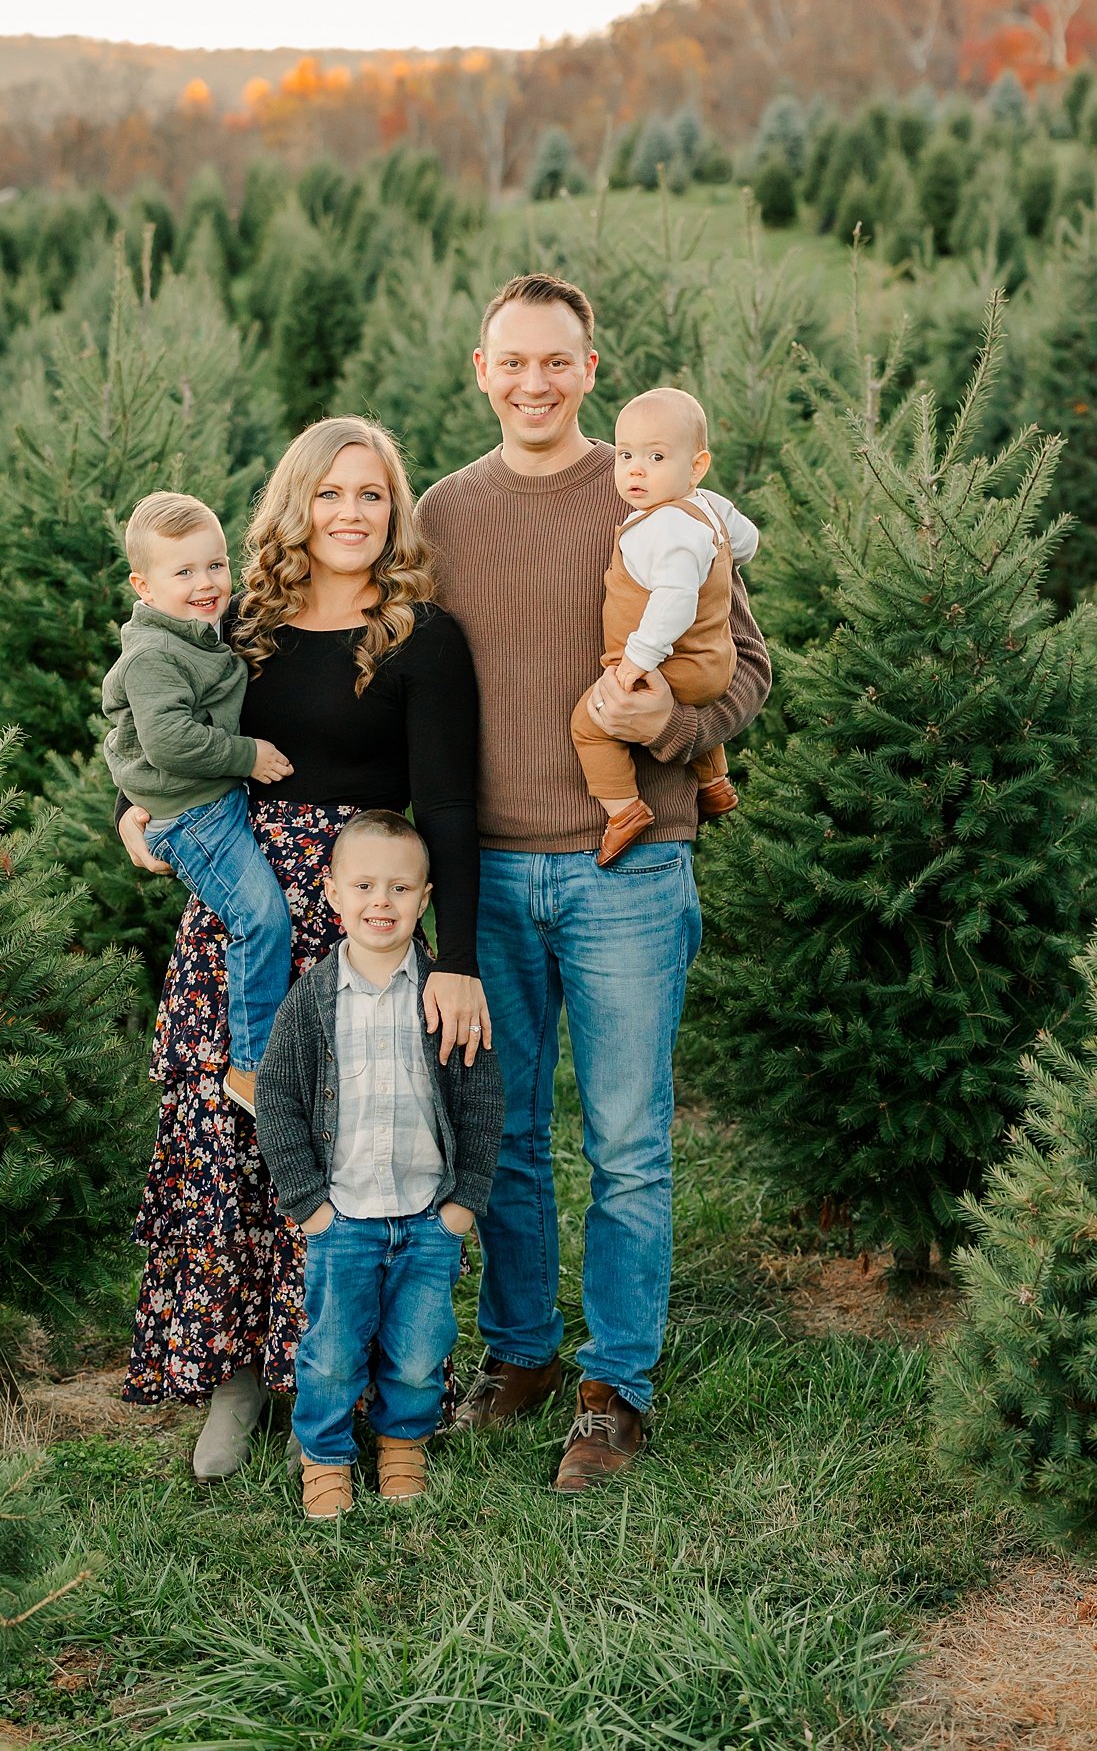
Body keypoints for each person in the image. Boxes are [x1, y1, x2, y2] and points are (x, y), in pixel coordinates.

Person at [416, 272, 771, 1492]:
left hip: (630, 870)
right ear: (480, 369)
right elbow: (357, 659)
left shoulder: (661, 494)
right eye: (511, 361)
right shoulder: (441, 516)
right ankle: (515, 1354)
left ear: (591, 367)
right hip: (490, 876)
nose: (533, 382)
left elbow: (747, 672)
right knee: (506, 1137)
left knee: (627, 1142)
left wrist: (668, 722)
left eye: (555, 361)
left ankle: (615, 1383)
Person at [116, 417, 486, 1482]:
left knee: (354, 1143)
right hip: (242, 907)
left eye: (371, 495)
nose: (351, 514)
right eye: (330, 494)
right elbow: (151, 724)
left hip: (362, 913)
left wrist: (450, 958)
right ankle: (234, 1378)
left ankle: (356, 1377)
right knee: (226, 1134)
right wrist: (134, 815)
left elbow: (450, 810)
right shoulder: (238, 624)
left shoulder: (422, 637)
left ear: (394, 510)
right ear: (298, 504)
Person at [254, 811, 504, 1519]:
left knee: (421, 1350)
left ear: (426, 899)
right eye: (363, 885)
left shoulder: (444, 994)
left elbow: (483, 1098)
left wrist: (464, 1203)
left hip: (428, 1216)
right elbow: (275, 1102)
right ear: (332, 894)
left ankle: (402, 1443)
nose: (380, 902)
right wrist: (310, 1204)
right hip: (344, 1219)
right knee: (331, 1353)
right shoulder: (312, 1002)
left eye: (399, 888)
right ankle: (326, 1455)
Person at [101, 489, 295, 1114]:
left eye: (215, 565)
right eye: (182, 572)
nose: (206, 583)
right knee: (259, 917)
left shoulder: (201, 630)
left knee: (259, 915)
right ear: (144, 585)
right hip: (193, 818)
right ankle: (253, 1066)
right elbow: (167, 741)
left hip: (211, 807)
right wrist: (249, 756)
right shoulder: (156, 653)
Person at [569, 388, 760, 865]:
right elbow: (747, 540)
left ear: (696, 466)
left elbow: (674, 601)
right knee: (686, 698)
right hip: (713, 663)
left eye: (656, 457)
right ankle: (715, 784)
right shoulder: (709, 507)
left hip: (672, 663)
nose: (636, 469)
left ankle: (624, 810)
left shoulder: (664, 528)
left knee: (589, 724)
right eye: (627, 455)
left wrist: (637, 658)